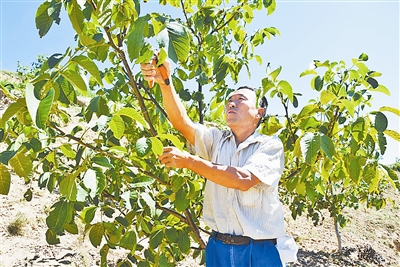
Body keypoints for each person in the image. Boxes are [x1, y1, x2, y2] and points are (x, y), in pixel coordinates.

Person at [140, 59, 293, 267]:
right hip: (218, 247)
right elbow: (181, 122)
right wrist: (165, 83)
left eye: (241, 99)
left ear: (259, 113)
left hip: (258, 251)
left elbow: (244, 179)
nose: (232, 103)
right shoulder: (218, 140)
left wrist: (190, 161)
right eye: (230, 100)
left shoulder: (269, 145)